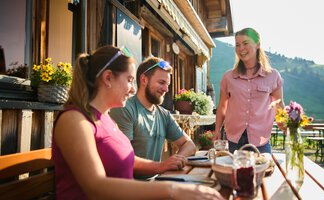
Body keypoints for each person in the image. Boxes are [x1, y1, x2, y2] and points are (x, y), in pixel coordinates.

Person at [52, 45, 222, 199]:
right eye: (129, 80)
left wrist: (162, 166)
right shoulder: (74, 120)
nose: (133, 89)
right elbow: (96, 187)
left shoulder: (106, 120)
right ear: (108, 78)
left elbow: (128, 159)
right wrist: (171, 189)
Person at [110, 57, 196, 179]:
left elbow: (189, 145)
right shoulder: (125, 108)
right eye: (161, 83)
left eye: (167, 84)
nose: (166, 89)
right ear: (144, 80)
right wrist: (162, 166)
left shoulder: (164, 114)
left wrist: (177, 158)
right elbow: (124, 158)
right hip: (130, 186)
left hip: (156, 181)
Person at [213, 27, 284, 154]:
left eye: (246, 43)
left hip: (261, 141)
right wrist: (217, 129)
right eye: (237, 45)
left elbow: (278, 106)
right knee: (234, 172)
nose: (241, 48)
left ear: (258, 44)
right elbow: (222, 106)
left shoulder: (273, 76)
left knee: (263, 173)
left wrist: (288, 128)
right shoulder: (228, 77)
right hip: (234, 140)